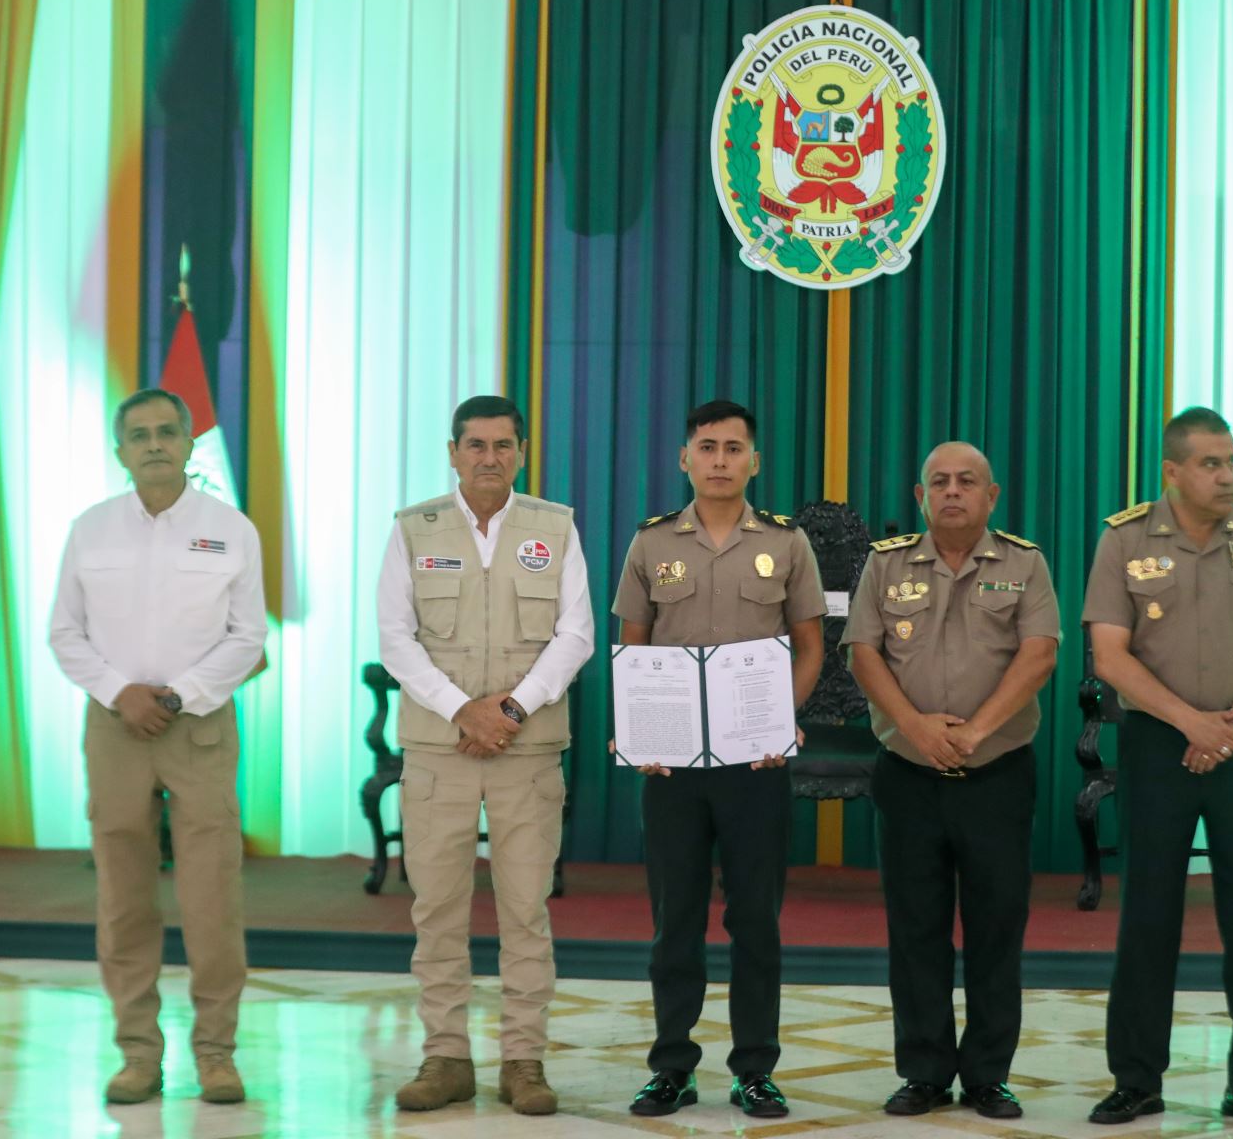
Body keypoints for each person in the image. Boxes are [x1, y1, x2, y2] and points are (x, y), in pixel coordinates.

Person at [1081, 407, 1233, 1131]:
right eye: (1211, 464)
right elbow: (1110, 656)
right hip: (1159, 749)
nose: (1228, 476)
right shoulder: (1124, 539)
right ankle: (1137, 1080)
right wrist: (1191, 723)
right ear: (1172, 472)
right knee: (1148, 918)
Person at [377, 395, 593, 1116]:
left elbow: (576, 634)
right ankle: (445, 1059)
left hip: (525, 749)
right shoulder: (414, 529)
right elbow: (395, 638)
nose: (489, 457)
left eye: (503, 445)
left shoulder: (554, 527)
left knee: (525, 910)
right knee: (436, 907)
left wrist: (509, 710)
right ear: (453, 451)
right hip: (440, 749)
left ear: (522, 451)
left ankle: (523, 1062)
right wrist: (460, 709)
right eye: (475, 445)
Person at [49, 388, 265, 1106]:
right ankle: (138, 1054)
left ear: (188, 442)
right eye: (138, 434)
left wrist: (177, 695)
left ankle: (217, 1056)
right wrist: (122, 693)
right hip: (116, 728)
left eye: (166, 431)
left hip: (197, 728)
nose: (153, 444)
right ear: (120, 450)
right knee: (123, 896)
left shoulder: (230, 529)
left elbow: (249, 637)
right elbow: (64, 633)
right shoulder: (90, 529)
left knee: (212, 897)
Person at [610, 399, 825, 1119]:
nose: (722, 460)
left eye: (736, 448)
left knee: (756, 921)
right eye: (708, 447)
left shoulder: (788, 544)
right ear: (685, 459)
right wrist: (636, 730)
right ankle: (671, 1066)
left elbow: (810, 645)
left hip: (755, 765)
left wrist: (780, 721)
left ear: (755, 462)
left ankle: (755, 1069)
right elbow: (633, 645)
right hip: (671, 768)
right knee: (675, 922)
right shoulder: (650, 544)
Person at [843, 442, 1060, 1120]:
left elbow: (1040, 654)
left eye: (968, 481)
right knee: (916, 929)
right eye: (940, 482)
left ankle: (989, 1074)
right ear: (920, 495)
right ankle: (925, 1071)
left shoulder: (1025, 563)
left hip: (996, 772)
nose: (954, 491)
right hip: (909, 773)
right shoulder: (886, 563)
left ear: (992, 495)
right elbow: (863, 653)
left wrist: (973, 731)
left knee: (997, 927)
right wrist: (917, 729)